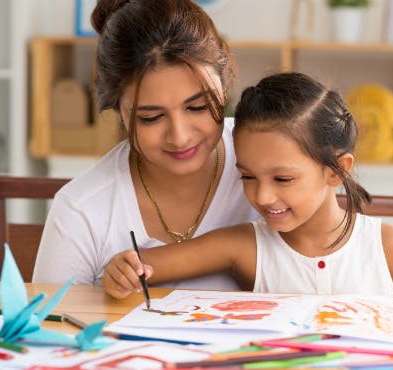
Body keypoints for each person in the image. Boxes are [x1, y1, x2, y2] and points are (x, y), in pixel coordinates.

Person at [104, 72, 393, 299]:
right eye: (248, 176)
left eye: (282, 179)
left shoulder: (387, 246)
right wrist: (124, 269)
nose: (261, 196)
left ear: (336, 171)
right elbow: (143, 266)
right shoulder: (245, 246)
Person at [32, 0, 259, 289]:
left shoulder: (271, 160)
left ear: (224, 85)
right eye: (151, 117)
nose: (179, 136)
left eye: (197, 107)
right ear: (119, 113)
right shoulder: (82, 209)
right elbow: (48, 326)